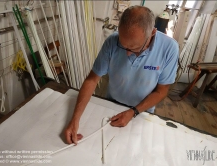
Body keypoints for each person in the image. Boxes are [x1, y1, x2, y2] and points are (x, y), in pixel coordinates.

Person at [64, 6, 179, 145]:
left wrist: (133, 112)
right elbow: (92, 79)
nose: (128, 53)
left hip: (143, 111)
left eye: (134, 48)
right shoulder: (112, 42)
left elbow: (162, 90)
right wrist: (75, 119)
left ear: (153, 33)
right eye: (123, 46)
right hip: (111, 104)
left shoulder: (169, 48)